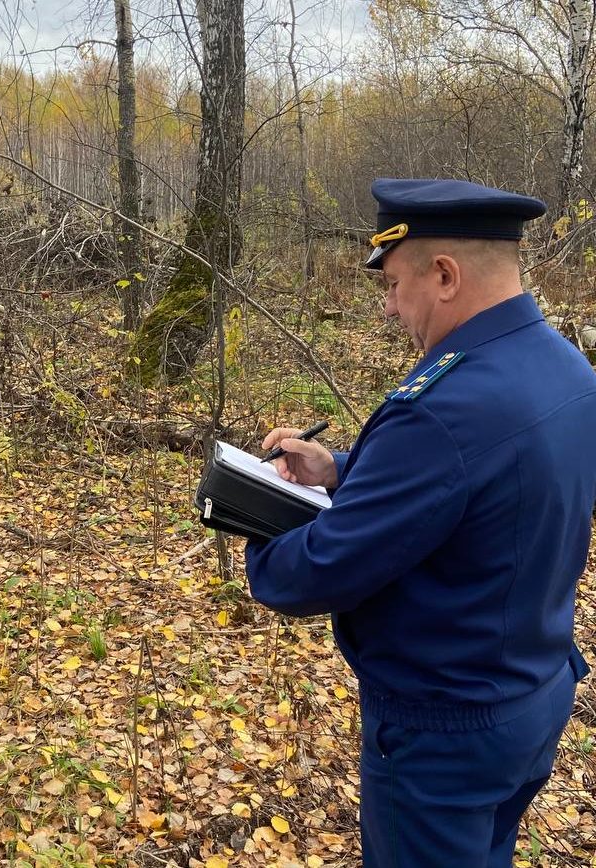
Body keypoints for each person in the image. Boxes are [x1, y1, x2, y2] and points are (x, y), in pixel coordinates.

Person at [244, 178, 596, 868]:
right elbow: (489, 485)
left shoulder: (442, 406)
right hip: (533, 690)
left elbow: (310, 574)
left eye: (395, 284)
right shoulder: (566, 370)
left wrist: (254, 512)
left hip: (445, 734)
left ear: (444, 275)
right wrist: (340, 470)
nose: (388, 307)